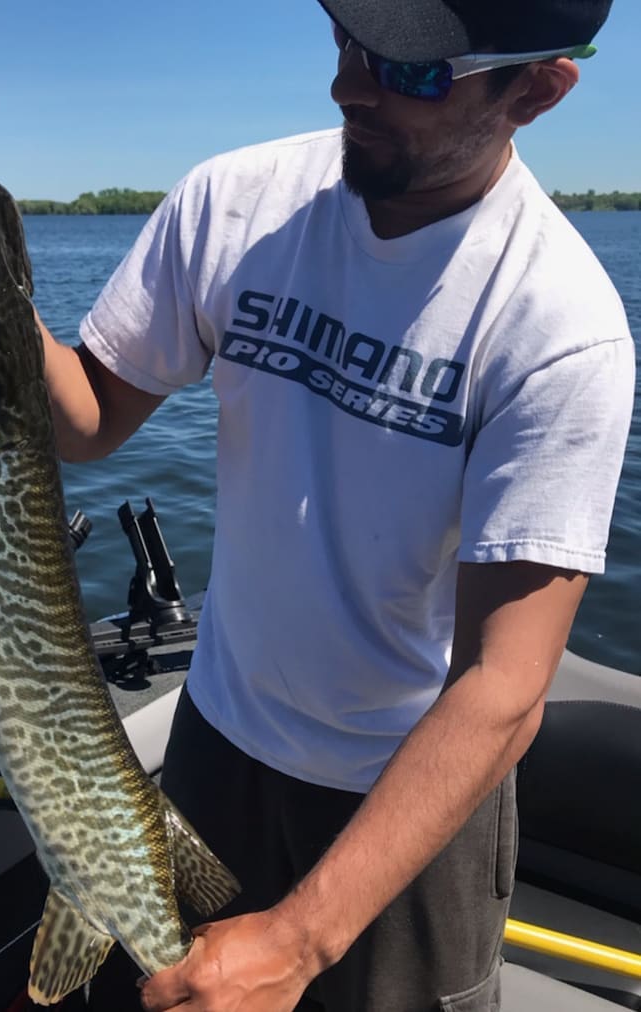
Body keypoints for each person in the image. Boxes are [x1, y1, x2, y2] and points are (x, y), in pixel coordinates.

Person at [40, 0, 635, 1009]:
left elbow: (503, 682)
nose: (348, 87)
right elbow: (89, 417)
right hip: (217, 737)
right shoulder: (233, 203)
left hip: (408, 795)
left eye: (411, 72)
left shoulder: (559, 327)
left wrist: (304, 936)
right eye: (349, 44)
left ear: (535, 89)